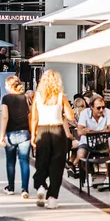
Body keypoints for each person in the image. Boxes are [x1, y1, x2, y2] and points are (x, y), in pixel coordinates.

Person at [30, 70, 75, 209]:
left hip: (42, 130)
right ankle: (52, 198)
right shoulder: (61, 96)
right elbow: (71, 116)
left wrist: (33, 135)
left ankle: (41, 186)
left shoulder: (37, 96)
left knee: (41, 161)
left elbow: (34, 118)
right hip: (57, 130)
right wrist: (64, 109)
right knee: (57, 164)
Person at [0, 76, 31, 199]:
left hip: (11, 133)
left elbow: (5, 117)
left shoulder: (6, 99)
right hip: (24, 132)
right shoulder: (25, 98)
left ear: (10, 86)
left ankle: (11, 187)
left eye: (6, 85)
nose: (5, 87)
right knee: (24, 161)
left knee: (10, 161)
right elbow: (29, 114)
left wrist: (2, 135)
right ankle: (25, 189)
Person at [73, 96, 110, 176]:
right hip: (87, 142)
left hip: (103, 143)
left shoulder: (107, 112)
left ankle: (108, 177)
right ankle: (89, 175)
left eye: (103, 107)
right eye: (98, 108)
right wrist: (103, 131)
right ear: (91, 107)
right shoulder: (84, 113)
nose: (101, 110)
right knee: (81, 155)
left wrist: (92, 131)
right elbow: (79, 132)